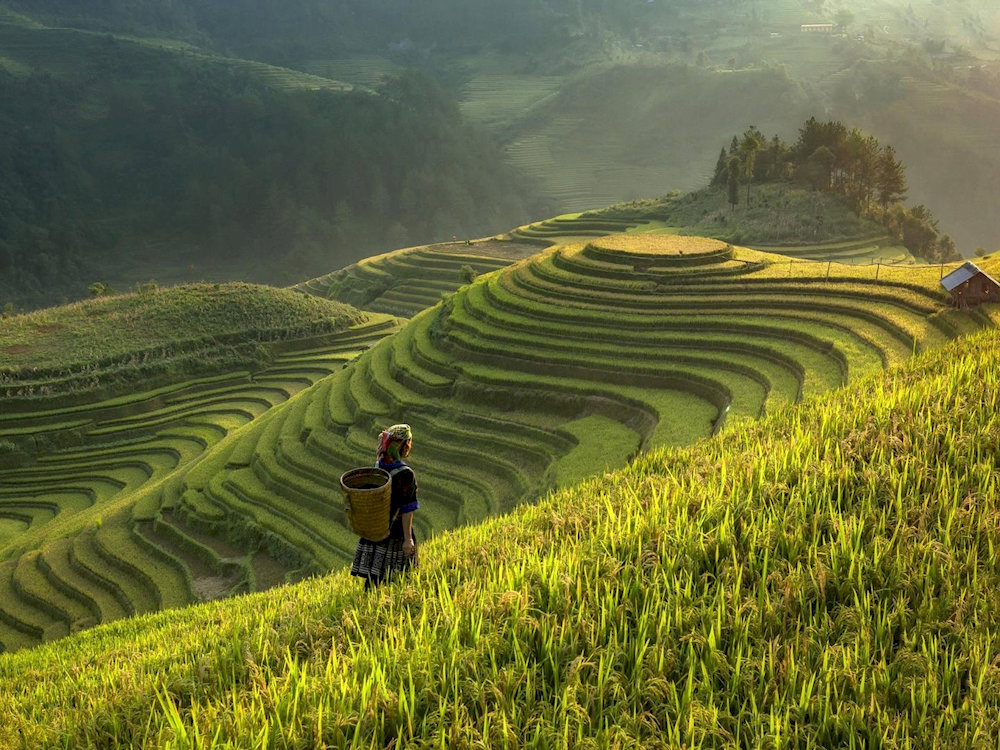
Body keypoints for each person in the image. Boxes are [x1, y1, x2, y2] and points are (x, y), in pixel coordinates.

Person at [350, 423, 419, 589]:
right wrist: (408, 539)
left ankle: (368, 608)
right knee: (399, 580)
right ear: (403, 446)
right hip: (395, 533)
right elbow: (407, 509)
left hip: (376, 529)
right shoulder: (405, 474)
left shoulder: (378, 467)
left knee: (373, 579)